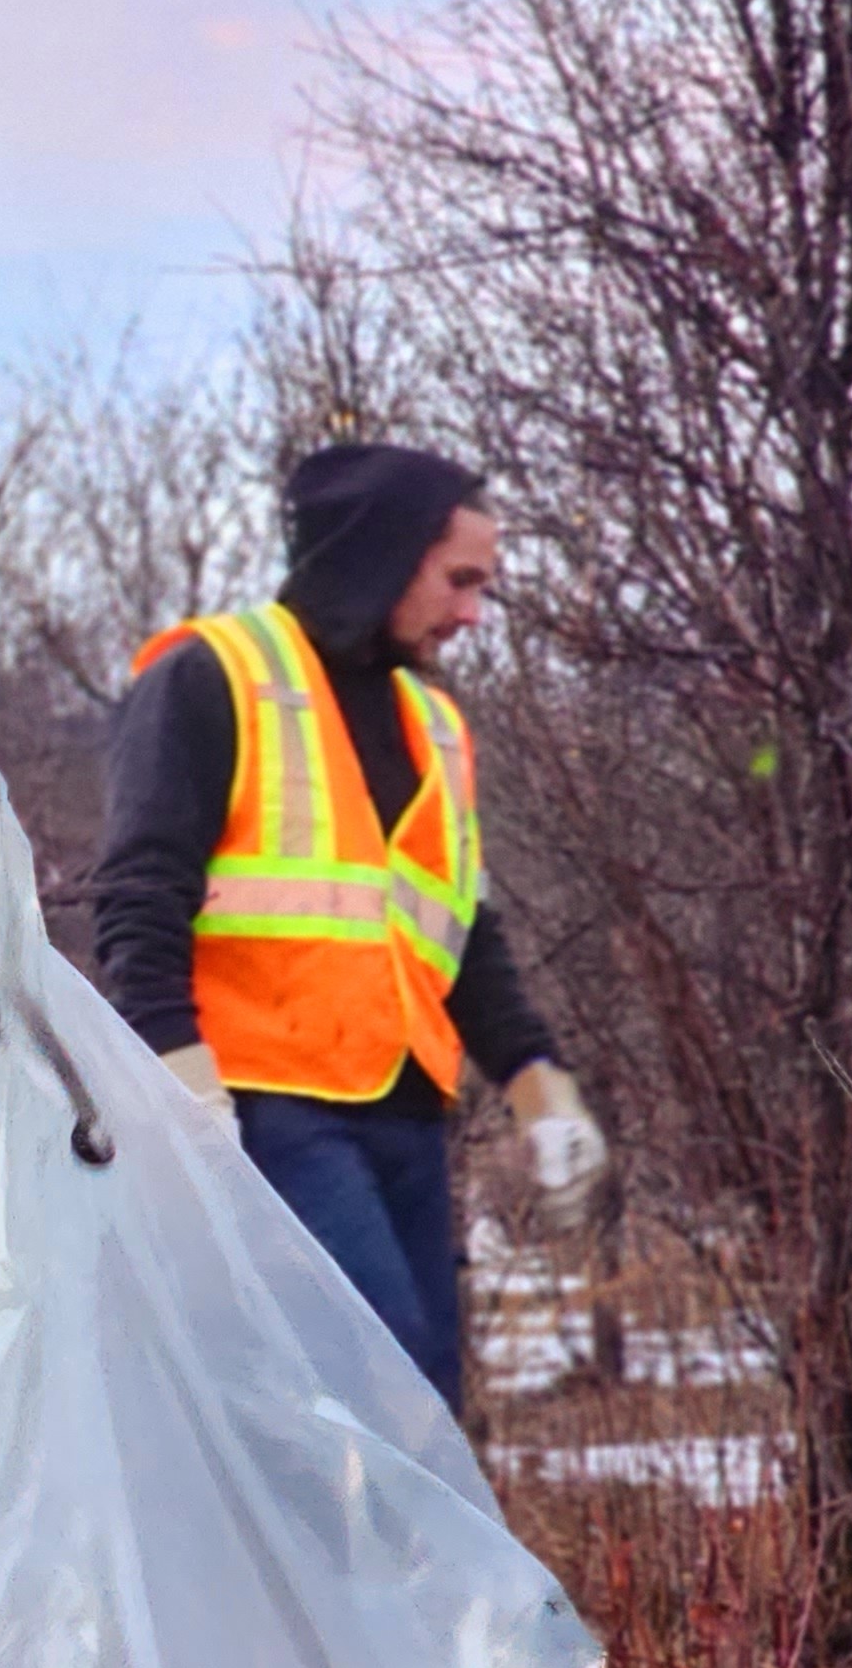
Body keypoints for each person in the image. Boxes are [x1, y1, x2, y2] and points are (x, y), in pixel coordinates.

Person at [92, 442, 612, 1416]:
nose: (472, 612)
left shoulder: (436, 723)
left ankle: (376, 1577)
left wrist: (542, 1088)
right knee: (379, 1393)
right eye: (459, 580)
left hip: (404, 1112)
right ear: (382, 554)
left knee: (427, 1404)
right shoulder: (214, 675)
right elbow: (137, 893)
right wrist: (177, 1080)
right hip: (259, 1106)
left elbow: (463, 933)